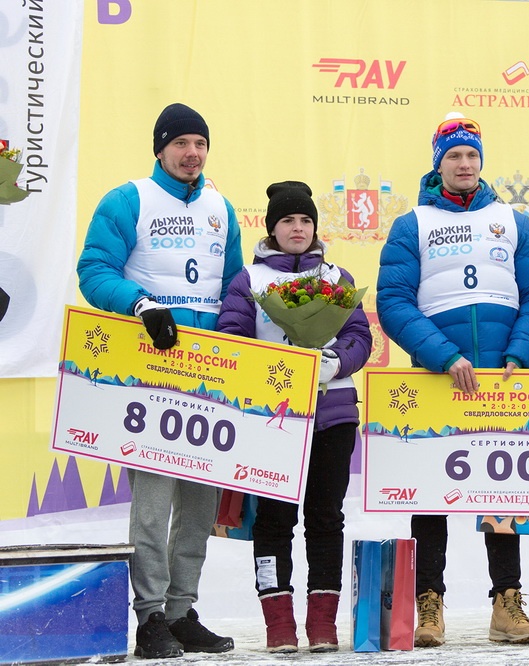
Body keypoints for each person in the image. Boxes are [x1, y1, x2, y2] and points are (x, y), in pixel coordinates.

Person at [376, 114, 529, 647]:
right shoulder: (412, 224)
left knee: (501, 491)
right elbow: (392, 301)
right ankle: (428, 606)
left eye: (472, 155)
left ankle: (507, 604)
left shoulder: (513, 220)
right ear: (438, 163)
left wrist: (520, 354)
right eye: (454, 156)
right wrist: (443, 356)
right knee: (432, 494)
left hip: (501, 376)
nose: (465, 164)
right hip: (439, 379)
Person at [76, 103, 242, 659]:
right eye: (181, 144)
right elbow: (94, 270)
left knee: (198, 506)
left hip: (210, 380)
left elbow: (237, 288)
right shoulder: (128, 200)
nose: (192, 153)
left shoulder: (222, 207)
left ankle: (180, 609)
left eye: (200, 143)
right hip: (151, 372)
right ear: (160, 148)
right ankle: (149, 617)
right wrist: (141, 302)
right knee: (151, 506)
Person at [217, 181, 373, 652]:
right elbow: (233, 337)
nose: (298, 228)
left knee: (326, 516)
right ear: (271, 228)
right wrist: (277, 363)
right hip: (275, 419)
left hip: (334, 414)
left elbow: (360, 337)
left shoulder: (338, 277)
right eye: (288, 220)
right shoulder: (250, 280)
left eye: (305, 220)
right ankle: (279, 624)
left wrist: (334, 362)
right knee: (274, 518)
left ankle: (323, 624)